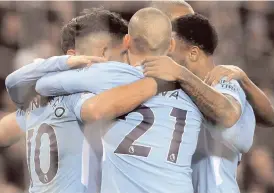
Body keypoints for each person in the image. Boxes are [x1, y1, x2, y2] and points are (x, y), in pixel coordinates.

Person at [30, 8, 203, 193]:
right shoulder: (196, 92)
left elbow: (43, 84)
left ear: (127, 41)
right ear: (171, 45)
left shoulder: (113, 75)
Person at [143, 13, 256, 193]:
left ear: (193, 53)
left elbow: (227, 114)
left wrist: (180, 73)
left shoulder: (225, 82)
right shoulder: (174, 88)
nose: (166, 51)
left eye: (171, 44)